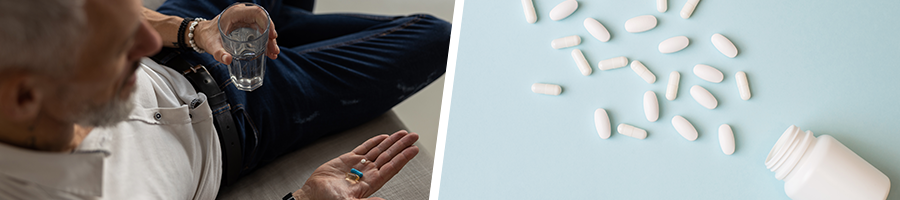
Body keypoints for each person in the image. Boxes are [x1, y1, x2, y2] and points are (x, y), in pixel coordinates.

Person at [0, 0, 449, 199]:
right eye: (114, 44)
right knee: (438, 37)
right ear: (25, 98)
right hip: (241, 117)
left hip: (197, 33)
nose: (141, 41)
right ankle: (280, 36)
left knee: (259, 17)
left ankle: (275, 31)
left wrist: (194, 30)